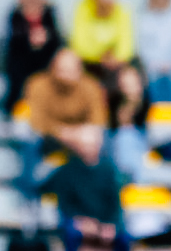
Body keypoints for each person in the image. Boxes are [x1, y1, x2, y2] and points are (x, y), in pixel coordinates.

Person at [40, 126, 132, 251]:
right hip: (79, 222)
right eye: (85, 145)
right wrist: (81, 221)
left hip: (103, 222)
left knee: (124, 239)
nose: (89, 148)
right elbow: (64, 203)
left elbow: (115, 204)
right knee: (70, 234)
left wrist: (111, 225)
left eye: (92, 144)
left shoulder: (109, 169)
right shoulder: (68, 170)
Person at [17, 49, 107, 196]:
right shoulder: (37, 84)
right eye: (61, 70)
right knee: (28, 137)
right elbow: (37, 122)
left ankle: (98, 193)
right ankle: (30, 193)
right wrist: (67, 133)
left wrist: (83, 137)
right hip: (48, 138)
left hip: (81, 139)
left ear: (80, 70)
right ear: (52, 68)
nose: (65, 76)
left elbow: (97, 122)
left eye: (70, 71)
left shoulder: (91, 87)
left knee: (102, 140)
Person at [3, 0, 63, 116]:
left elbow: (57, 37)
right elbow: (13, 40)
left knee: (52, 69)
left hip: (45, 56)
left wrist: (45, 37)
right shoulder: (15, 13)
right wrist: (29, 39)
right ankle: (13, 109)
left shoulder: (50, 11)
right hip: (22, 56)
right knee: (17, 73)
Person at [69, 0, 135, 81]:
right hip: (89, 63)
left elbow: (126, 44)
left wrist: (116, 57)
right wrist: (101, 55)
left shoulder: (121, 11)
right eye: (102, 5)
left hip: (114, 64)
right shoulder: (84, 10)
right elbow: (79, 45)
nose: (106, 9)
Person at [106, 65, 150, 182]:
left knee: (126, 136)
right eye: (125, 84)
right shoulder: (114, 102)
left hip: (142, 146)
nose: (128, 87)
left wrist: (133, 102)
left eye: (132, 83)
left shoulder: (148, 102)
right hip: (116, 147)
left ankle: (128, 178)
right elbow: (111, 129)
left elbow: (147, 131)